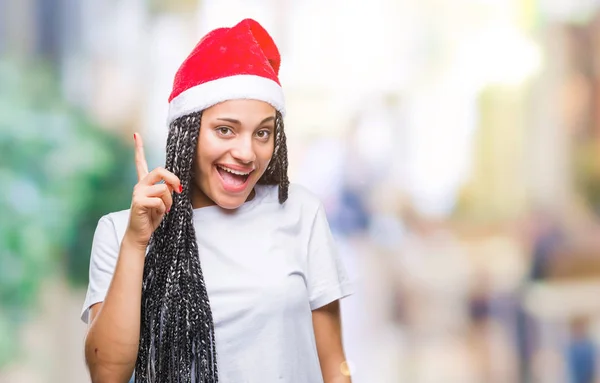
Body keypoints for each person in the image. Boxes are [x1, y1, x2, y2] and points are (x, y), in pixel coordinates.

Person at [80, 18, 354, 383]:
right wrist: (136, 242)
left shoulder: (301, 212)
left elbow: (334, 363)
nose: (246, 152)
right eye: (225, 129)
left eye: (263, 133)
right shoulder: (119, 233)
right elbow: (107, 373)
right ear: (188, 131)